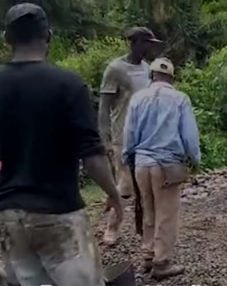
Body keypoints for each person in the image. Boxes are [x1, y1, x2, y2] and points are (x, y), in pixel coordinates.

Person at [0, 3, 123, 286]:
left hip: (9, 216)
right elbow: (92, 156)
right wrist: (114, 195)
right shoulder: (68, 85)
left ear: (8, 38)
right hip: (58, 214)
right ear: (49, 36)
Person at [122, 57, 201, 280]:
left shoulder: (138, 98)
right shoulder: (180, 98)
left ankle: (148, 255)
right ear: (172, 78)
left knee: (148, 210)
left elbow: (129, 133)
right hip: (168, 164)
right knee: (166, 214)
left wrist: (127, 157)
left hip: (142, 163)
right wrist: (194, 158)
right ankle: (161, 262)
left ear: (151, 76)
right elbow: (189, 135)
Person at [99, 26, 162, 245]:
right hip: (122, 135)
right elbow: (104, 107)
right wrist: (104, 138)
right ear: (135, 43)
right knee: (125, 187)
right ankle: (111, 228)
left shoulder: (147, 69)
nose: (149, 48)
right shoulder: (115, 69)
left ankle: (144, 230)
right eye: (146, 43)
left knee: (145, 187)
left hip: (145, 136)